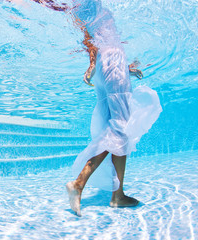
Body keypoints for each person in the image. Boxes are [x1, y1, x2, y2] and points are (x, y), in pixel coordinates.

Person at [63, 0, 162, 216]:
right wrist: (99, 64)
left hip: (105, 66)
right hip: (110, 61)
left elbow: (92, 39)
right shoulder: (93, 7)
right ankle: (79, 184)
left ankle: (118, 194)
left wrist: (121, 69)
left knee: (117, 130)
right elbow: (92, 39)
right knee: (120, 129)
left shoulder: (84, 10)